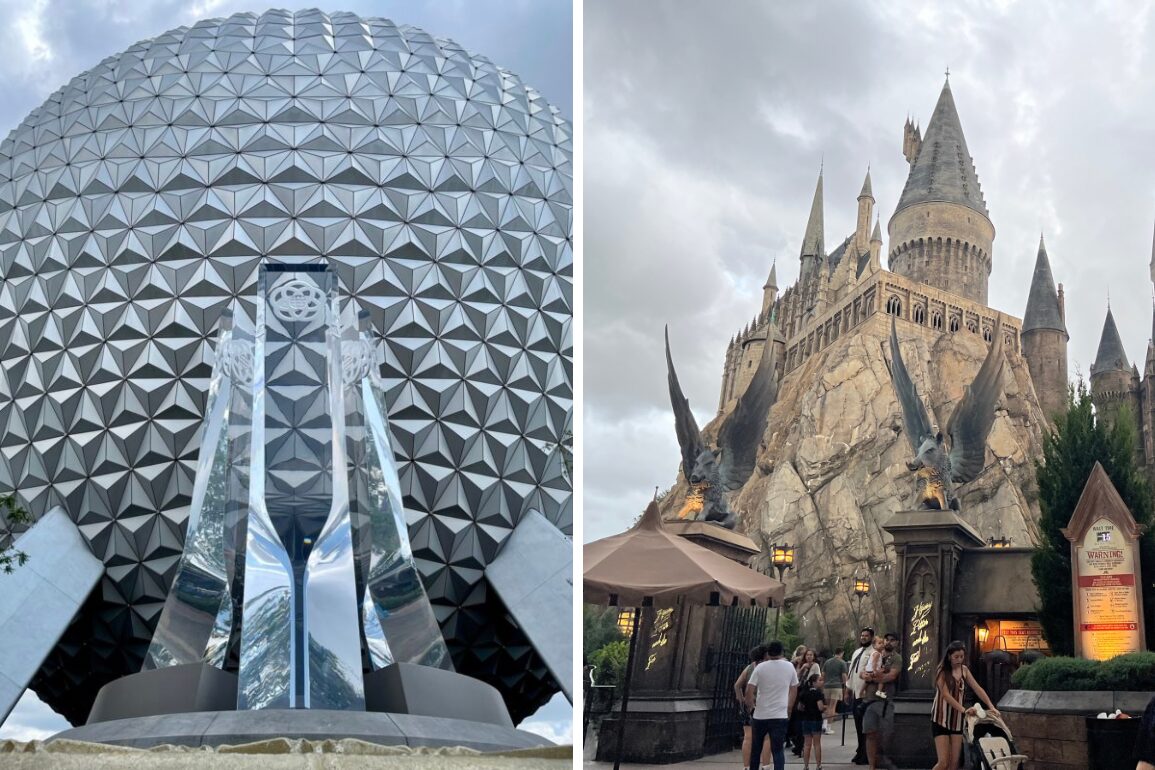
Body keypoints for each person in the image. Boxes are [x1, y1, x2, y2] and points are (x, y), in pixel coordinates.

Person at [930, 640, 1000, 770]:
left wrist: (991, 705)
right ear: (949, 656)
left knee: (954, 762)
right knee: (943, 762)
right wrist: (964, 710)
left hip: (956, 720)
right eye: (956, 657)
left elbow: (977, 688)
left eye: (961, 657)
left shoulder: (964, 670)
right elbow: (946, 695)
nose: (959, 660)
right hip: (941, 718)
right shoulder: (942, 671)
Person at [746, 639, 799, 770]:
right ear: (782, 652)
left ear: (768, 653)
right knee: (778, 751)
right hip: (779, 714)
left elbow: (749, 689)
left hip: (760, 714)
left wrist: (750, 706)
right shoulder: (789, 666)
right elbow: (794, 688)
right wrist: (789, 707)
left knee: (756, 750)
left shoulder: (760, 667)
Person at [861, 632, 901, 770]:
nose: (889, 642)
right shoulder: (874, 653)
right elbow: (862, 672)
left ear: (897, 643)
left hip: (885, 700)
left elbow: (891, 676)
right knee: (870, 733)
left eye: (892, 640)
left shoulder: (897, 658)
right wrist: (865, 675)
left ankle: (884, 760)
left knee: (885, 734)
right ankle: (872, 765)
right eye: (887, 639)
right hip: (870, 699)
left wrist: (872, 678)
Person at [733, 645, 771, 770]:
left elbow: (737, 685)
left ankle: (746, 766)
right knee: (766, 737)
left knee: (748, 737)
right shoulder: (766, 668)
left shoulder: (749, 668)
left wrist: (741, 700)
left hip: (748, 706)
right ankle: (765, 765)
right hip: (763, 704)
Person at [844, 626, 875, 765]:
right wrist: (848, 690)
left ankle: (865, 753)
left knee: (865, 726)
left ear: (872, 637)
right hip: (855, 692)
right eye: (862, 635)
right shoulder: (857, 652)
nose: (863, 637)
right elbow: (851, 671)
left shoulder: (873, 653)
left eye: (866, 636)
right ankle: (859, 750)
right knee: (857, 724)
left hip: (865, 694)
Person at [796, 672, 826, 770]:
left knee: (807, 744)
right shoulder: (818, 693)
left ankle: (806, 766)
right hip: (816, 719)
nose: (822, 682)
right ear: (814, 682)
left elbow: (800, 707)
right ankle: (818, 765)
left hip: (806, 719)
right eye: (820, 680)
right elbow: (820, 707)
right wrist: (826, 707)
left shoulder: (804, 693)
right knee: (816, 744)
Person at [821, 649, 847, 734]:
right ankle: (828, 727)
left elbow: (823, 675)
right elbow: (844, 676)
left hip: (827, 686)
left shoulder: (827, 662)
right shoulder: (842, 662)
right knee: (832, 707)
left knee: (828, 706)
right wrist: (845, 686)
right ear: (842, 653)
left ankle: (824, 724)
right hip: (836, 686)